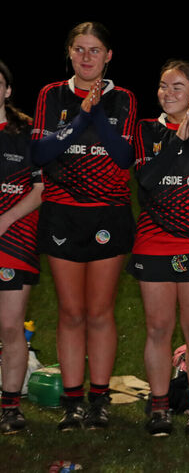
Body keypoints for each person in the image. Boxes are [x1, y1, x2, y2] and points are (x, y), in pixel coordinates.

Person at [31, 22, 137, 431]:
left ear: (108, 56)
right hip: (62, 212)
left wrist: (98, 117)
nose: (87, 57)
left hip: (107, 214)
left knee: (99, 311)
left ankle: (99, 399)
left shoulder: (123, 98)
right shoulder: (51, 94)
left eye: (95, 50)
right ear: (70, 53)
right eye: (80, 49)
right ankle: (73, 402)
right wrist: (80, 119)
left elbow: (124, 157)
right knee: (71, 312)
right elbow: (40, 150)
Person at [128, 60, 189, 436]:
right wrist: (177, 141)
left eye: (178, 87)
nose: (168, 93)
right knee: (158, 327)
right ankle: (159, 407)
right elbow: (147, 179)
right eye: (163, 86)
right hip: (153, 242)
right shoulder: (145, 129)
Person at [0, 60, 43, 435]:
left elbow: (41, 190)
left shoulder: (27, 133)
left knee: (10, 325)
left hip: (12, 241)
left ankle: (11, 406)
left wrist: (4, 220)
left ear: (7, 90)